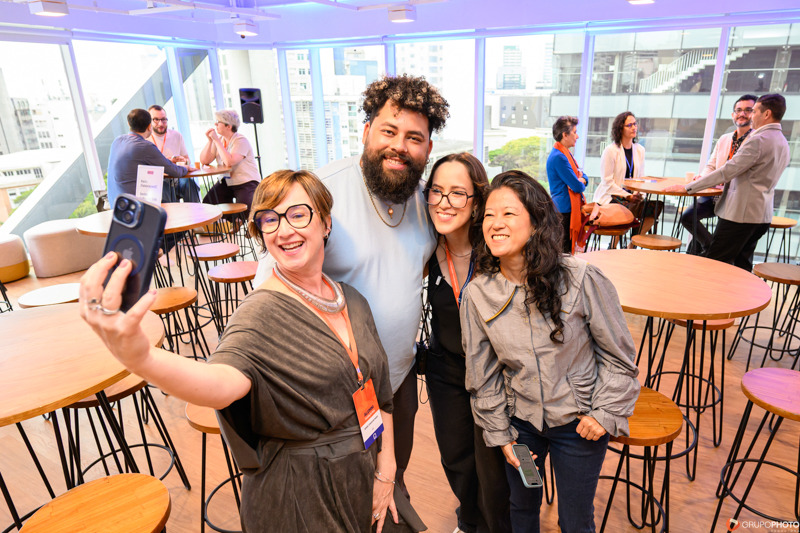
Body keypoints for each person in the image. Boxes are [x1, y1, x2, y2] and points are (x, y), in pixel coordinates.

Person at [79, 170, 400, 532]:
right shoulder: (260, 313)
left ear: (325, 223)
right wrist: (142, 358)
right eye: (269, 219)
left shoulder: (352, 300)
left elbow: (380, 394)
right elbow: (218, 382)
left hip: (362, 473)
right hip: (302, 497)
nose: (283, 230)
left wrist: (387, 468)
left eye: (298, 214)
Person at [256, 74, 449, 497]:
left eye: (414, 138)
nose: (400, 146)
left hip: (397, 378)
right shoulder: (323, 191)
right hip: (334, 389)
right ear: (366, 132)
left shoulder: (425, 201)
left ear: (428, 148)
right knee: (341, 495)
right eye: (389, 131)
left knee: (392, 479)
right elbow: (268, 277)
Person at [462, 171, 640, 533]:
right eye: (489, 215)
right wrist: (501, 433)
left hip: (579, 425)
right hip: (521, 427)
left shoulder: (580, 277)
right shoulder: (478, 294)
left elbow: (619, 358)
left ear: (536, 221)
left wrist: (604, 413)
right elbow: (483, 374)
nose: (495, 223)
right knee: (522, 506)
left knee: (574, 521)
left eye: (508, 213)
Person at [423, 153, 510, 533]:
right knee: (456, 457)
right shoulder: (425, 249)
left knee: (494, 465)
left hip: (496, 375)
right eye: (437, 191)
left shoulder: (497, 252)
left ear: (477, 202)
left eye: (457, 193)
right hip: (445, 369)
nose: (444, 202)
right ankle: (469, 521)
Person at [666, 94, 790, 271]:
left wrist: (688, 188)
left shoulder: (758, 140)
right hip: (761, 216)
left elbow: (727, 171)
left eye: (754, 111)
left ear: (767, 114)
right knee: (741, 266)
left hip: (741, 215)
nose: (751, 116)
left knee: (713, 264)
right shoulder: (783, 141)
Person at [680, 94, 757, 255]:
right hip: (714, 195)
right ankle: (710, 248)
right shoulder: (724, 139)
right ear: (733, 114)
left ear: (755, 114)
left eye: (748, 110)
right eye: (738, 110)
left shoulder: (756, 141)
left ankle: (707, 252)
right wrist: (702, 177)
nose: (742, 114)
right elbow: (711, 165)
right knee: (687, 216)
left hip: (733, 198)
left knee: (721, 237)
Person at [593, 111, 662, 244]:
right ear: (620, 128)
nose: (634, 127)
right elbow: (607, 182)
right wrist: (627, 196)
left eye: (635, 124)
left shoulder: (640, 150)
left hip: (632, 197)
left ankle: (632, 245)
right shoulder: (611, 150)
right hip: (612, 196)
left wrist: (638, 194)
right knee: (624, 210)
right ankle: (613, 246)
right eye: (629, 125)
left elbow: (641, 178)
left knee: (654, 208)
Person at [106, 108, 189, 204]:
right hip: (135, 206)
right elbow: (175, 172)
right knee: (167, 196)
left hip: (116, 205)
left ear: (129, 124)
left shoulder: (117, 141)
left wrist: (168, 161)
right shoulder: (145, 146)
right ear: (150, 126)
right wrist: (185, 168)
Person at [200, 109, 261, 218]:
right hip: (227, 181)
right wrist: (210, 141)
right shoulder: (219, 140)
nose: (215, 124)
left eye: (218, 122)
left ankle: (238, 222)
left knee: (244, 211)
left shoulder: (240, 140)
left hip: (245, 182)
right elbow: (204, 161)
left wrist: (216, 141)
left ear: (228, 126)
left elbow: (229, 162)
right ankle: (231, 223)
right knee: (209, 202)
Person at [546, 116, 587, 254]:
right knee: (563, 253)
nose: (577, 136)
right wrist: (581, 180)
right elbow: (577, 186)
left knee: (565, 251)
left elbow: (582, 175)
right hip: (563, 210)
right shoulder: (559, 157)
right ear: (565, 135)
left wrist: (582, 179)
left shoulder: (565, 153)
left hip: (565, 208)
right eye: (574, 132)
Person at [148, 104, 201, 203]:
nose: (161, 124)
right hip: (159, 181)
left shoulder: (176, 135)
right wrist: (167, 162)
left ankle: (197, 211)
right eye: (156, 120)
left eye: (164, 119)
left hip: (178, 178)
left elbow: (187, 160)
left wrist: (183, 161)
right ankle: (171, 213)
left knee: (190, 184)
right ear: (149, 121)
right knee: (163, 187)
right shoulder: (145, 139)